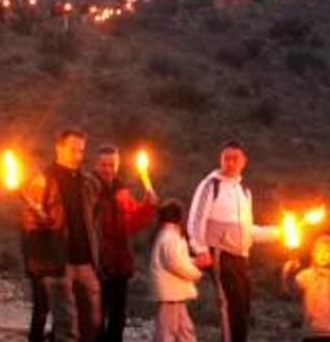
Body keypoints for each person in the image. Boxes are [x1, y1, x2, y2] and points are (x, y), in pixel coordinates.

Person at [186, 140, 282, 342]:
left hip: (241, 258)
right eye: (226, 158)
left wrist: (280, 233)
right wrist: (199, 249)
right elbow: (195, 220)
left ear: (243, 161)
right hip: (220, 255)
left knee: (243, 308)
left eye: (234, 158)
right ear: (220, 159)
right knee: (232, 307)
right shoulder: (211, 185)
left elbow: (248, 231)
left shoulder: (244, 191)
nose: (229, 162)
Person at [22, 129, 102, 342]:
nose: (78, 155)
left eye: (81, 150)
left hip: (85, 262)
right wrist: (42, 261)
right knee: (67, 326)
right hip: (58, 262)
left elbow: (93, 219)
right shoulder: (43, 180)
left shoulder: (87, 182)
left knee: (92, 323)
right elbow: (29, 224)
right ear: (59, 148)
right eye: (73, 149)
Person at [94, 146, 157, 342]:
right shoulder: (89, 189)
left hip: (120, 264)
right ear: (96, 165)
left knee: (118, 317)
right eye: (103, 164)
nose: (107, 169)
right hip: (96, 263)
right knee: (95, 317)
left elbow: (133, 222)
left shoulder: (123, 193)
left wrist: (148, 205)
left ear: (117, 166)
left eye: (111, 164)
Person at [150, 199, 206, 342]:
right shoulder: (170, 237)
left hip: (174, 293)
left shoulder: (168, 236)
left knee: (183, 329)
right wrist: (195, 273)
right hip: (171, 294)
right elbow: (175, 263)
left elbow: (178, 259)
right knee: (167, 331)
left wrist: (194, 262)